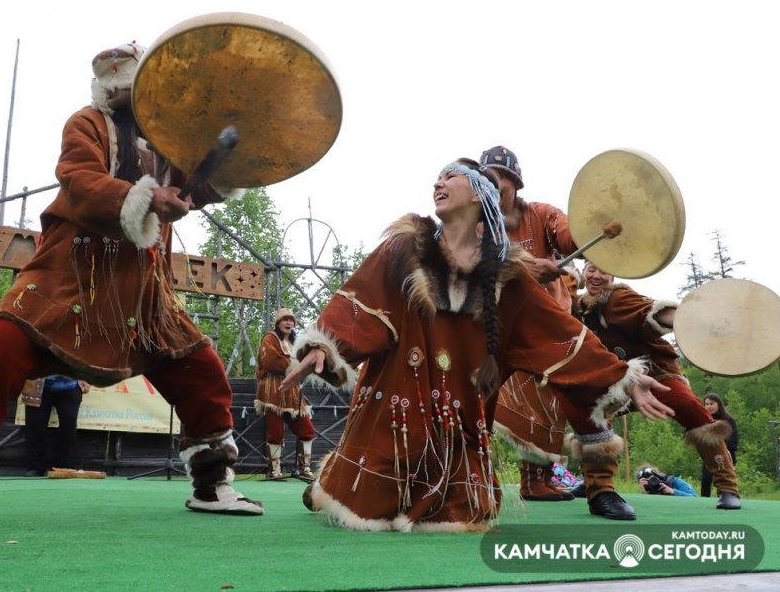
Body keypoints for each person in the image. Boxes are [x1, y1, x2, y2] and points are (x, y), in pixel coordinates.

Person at [0, 41, 264, 524]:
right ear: (116, 92)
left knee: (202, 369)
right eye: (133, 92)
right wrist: (143, 198)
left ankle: (212, 486)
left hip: (142, 299)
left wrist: (244, 160)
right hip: (66, 282)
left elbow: (207, 184)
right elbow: (80, 180)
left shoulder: (170, 141)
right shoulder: (85, 123)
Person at [279, 158, 673, 531]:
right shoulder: (403, 248)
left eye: (450, 177)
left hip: (460, 418)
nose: (438, 183)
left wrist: (622, 377)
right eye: (437, 178)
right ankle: (331, 483)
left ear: (478, 196)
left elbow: (560, 334)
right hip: (396, 409)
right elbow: (361, 301)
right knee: (363, 495)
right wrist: (324, 346)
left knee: (462, 509)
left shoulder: (509, 278)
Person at [575, 261, 741, 509]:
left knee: (691, 408)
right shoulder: (575, 308)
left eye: (605, 269)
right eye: (591, 269)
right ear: (583, 271)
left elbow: (651, 311)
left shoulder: (619, 297)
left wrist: (695, 321)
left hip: (656, 373)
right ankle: (596, 484)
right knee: (587, 415)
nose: (597, 275)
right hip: (615, 380)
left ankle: (728, 487)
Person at [480, 146, 583, 502]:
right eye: (485, 179)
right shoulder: (475, 224)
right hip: (495, 330)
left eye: (498, 177)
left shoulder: (540, 215)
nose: (492, 185)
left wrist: (592, 230)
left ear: (514, 183)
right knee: (486, 402)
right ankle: (477, 476)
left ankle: (538, 479)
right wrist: (526, 269)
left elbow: (571, 237)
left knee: (550, 403)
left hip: (546, 323)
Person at [255, 308, 316, 480]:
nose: (289, 323)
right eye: (285, 320)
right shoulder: (270, 338)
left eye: (291, 320)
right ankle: (274, 470)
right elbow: (271, 361)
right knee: (275, 431)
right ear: (278, 323)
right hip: (273, 389)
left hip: (294, 391)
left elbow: (307, 361)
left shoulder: (297, 343)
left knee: (306, 429)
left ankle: (304, 468)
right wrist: (296, 365)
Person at [22, 375, 90, 476]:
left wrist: (88, 378)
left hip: (70, 385)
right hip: (37, 383)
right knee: (35, 426)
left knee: (69, 425)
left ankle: (61, 466)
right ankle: (35, 467)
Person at [701, 393, 739, 497]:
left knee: (726, 479)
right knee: (706, 479)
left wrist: (723, 448)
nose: (708, 406)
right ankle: (704, 500)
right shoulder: (705, 419)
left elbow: (733, 439)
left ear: (719, 404)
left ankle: (730, 497)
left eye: (711, 404)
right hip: (709, 455)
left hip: (726, 454)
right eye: (706, 404)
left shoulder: (728, 419)